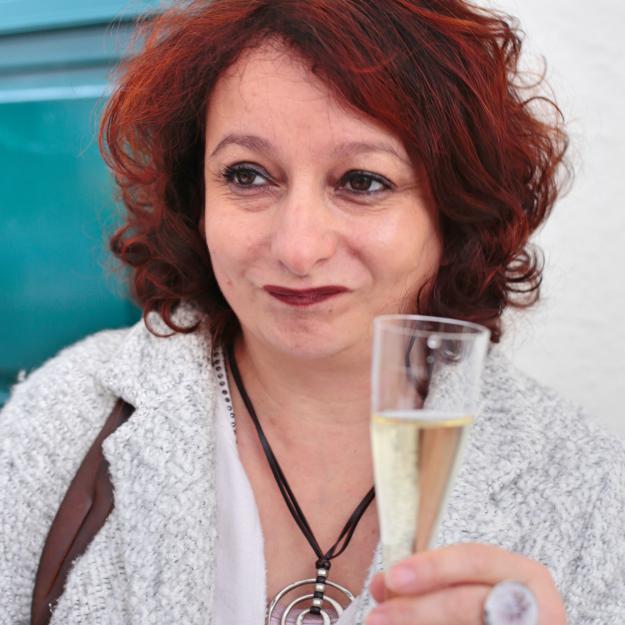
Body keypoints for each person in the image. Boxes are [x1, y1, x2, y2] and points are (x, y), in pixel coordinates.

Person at [1, 0, 624, 624]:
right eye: (247, 176)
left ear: (454, 210)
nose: (298, 249)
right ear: (196, 198)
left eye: (362, 181)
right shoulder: (63, 418)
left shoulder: (589, 492)